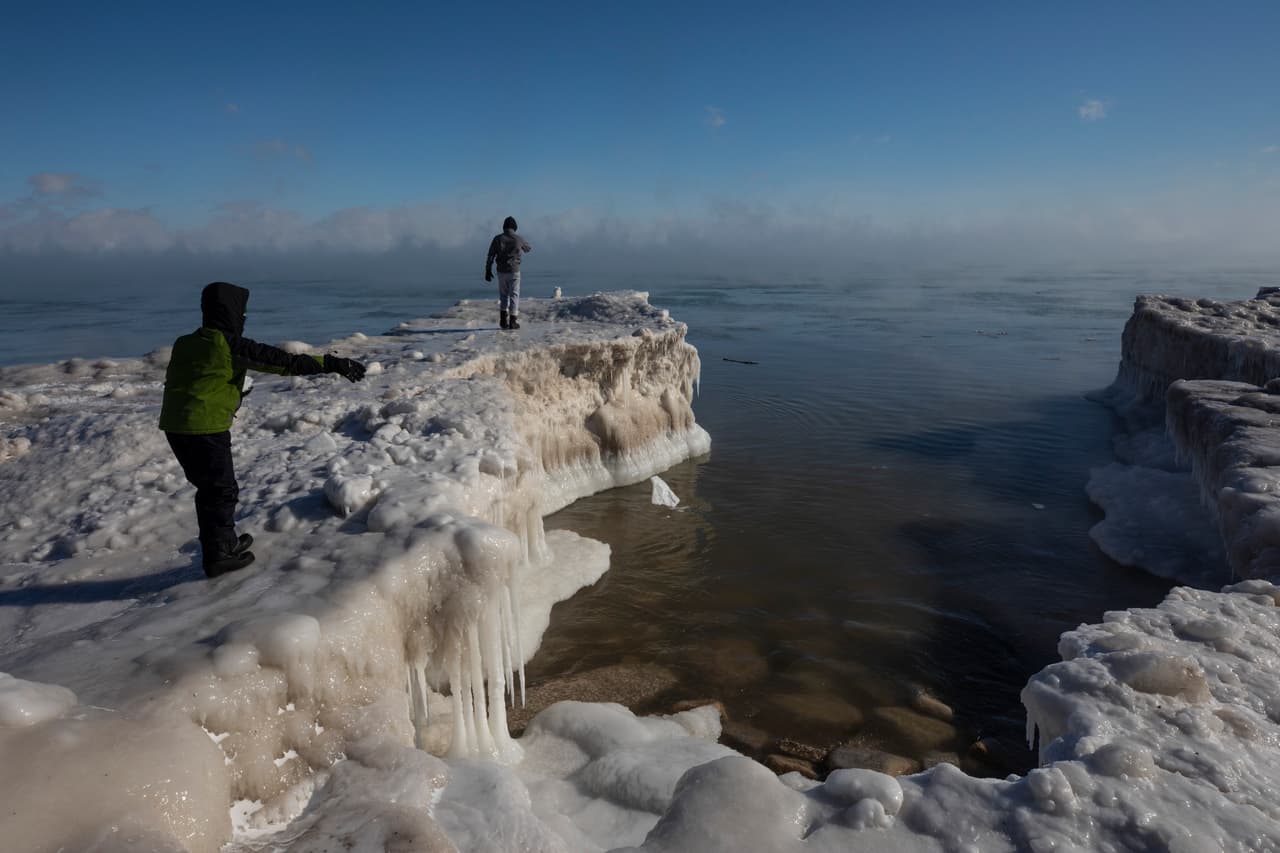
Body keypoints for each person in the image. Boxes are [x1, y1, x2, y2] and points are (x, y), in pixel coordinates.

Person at [159, 282, 367, 577]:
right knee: (220, 491)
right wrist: (332, 363)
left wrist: (231, 391)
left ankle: (224, 542)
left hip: (176, 426)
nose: (244, 317)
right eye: (242, 312)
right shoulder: (228, 344)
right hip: (203, 428)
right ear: (231, 312)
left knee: (211, 489)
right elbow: (285, 362)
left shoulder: (186, 342)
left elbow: (195, 380)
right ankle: (218, 556)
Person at [485, 216, 532, 330]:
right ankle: (513, 321)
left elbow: (490, 255)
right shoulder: (518, 239)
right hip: (514, 271)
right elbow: (528, 248)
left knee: (503, 295)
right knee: (514, 295)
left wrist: (488, 269)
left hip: (501, 271)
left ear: (504, 227)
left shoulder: (497, 239)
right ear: (515, 227)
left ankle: (503, 321)